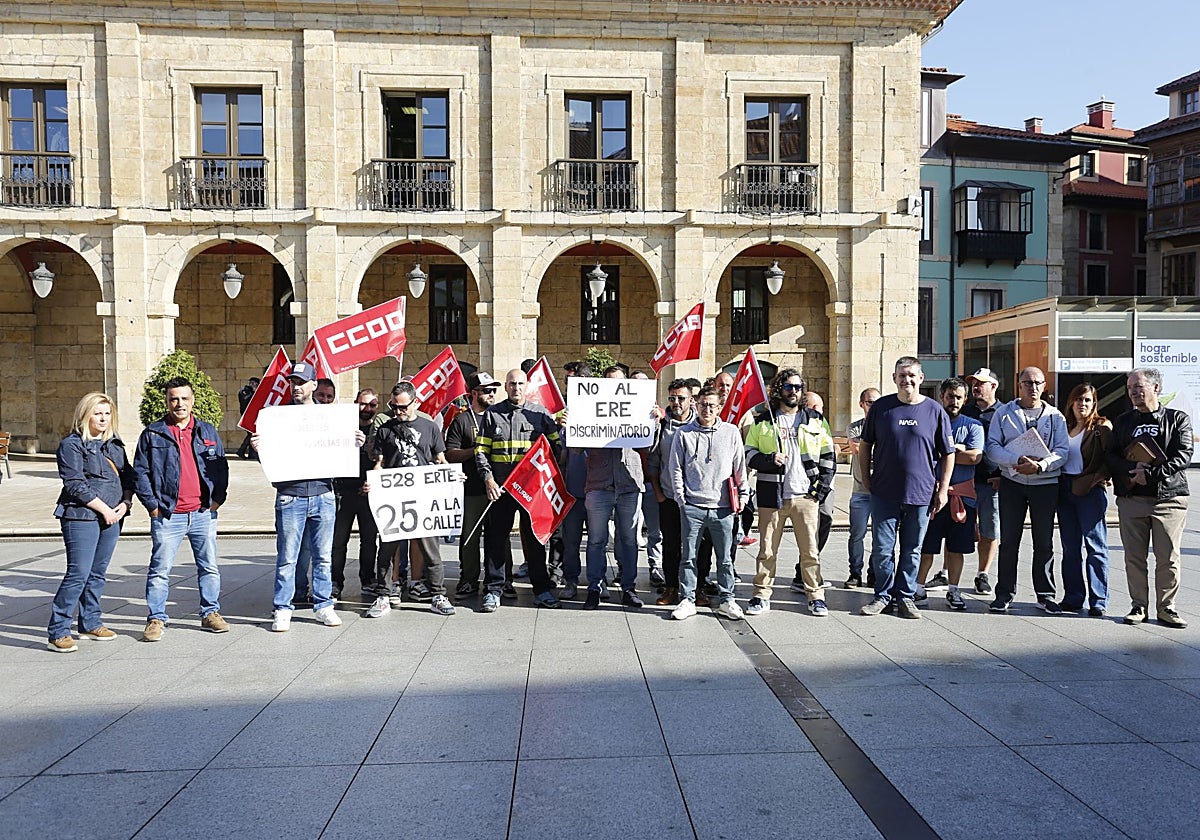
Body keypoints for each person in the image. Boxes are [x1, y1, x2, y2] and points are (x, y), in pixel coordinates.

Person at [254, 362, 358, 632]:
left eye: (302, 382)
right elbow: (269, 457)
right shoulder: (279, 418)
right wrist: (259, 448)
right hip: (291, 495)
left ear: (314, 385)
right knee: (288, 556)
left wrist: (352, 441)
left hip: (323, 494)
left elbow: (342, 453)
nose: (296, 387)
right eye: (293, 382)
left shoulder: (331, 419)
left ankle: (324, 605)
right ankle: (283, 608)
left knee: (323, 555)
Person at [133, 376, 230, 641]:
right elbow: (140, 472)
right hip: (167, 514)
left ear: (193, 400)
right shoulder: (153, 433)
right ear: (167, 401)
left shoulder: (207, 431)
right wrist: (152, 506)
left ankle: (210, 612)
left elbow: (221, 467)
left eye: (184, 398)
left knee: (209, 566)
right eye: (174, 399)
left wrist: (217, 499)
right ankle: (156, 618)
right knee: (160, 569)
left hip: (202, 512)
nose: (179, 404)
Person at [859, 356, 954, 619]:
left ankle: (906, 597)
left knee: (912, 549)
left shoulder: (934, 411)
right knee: (882, 549)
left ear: (921, 379)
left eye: (911, 375)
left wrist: (943, 489)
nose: (907, 380)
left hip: (921, 493)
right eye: (902, 375)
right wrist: (866, 477)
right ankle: (882, 595)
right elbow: (865, 444)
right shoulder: (881, 408)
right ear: (894, 378)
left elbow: (948, 453)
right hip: (884, 492)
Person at [47, 393, 135, 652]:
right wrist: (104, 509)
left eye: (107, 413)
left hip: (113, 516)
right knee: (78, 573)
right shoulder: (71, 445)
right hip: (80, 516)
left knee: (98, 573)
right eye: (97, 413)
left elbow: (128, 477)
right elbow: (75, 484)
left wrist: (126, 503)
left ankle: (90, 621)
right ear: (85, 415)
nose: (103, 418)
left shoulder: (114, 445)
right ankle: (58, 630)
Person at [1106, 368, 1193, 628]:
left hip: (1169, 499)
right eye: (1130, 387)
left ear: (1156, 388)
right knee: (1134, 557)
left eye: (1139, 386)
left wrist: (1152, 475)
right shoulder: (1122, 421)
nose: (1133, 392)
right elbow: (1111, 456)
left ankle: (1167, 608)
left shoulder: (1178, 419)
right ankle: (1138, 606)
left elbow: (1183, 455)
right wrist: (1131, 473)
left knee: (1168, 557)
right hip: (1132, 498)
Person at [744, 370, 835, 616]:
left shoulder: (815, 419)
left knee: (810, 552)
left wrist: (820, 490)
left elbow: (828, 456)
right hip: (770, 495)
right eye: (787, 387)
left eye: (797, 387)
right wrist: (768, 459)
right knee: (766, 550)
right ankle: (761, 595)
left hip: (805, 496)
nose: (793, 391)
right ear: (778, 390)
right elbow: (748, 454)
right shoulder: (763, 420)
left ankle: (815, 596)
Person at [363, 381, 457, 618]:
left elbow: (440, 459)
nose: (398, 412)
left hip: (422, 497)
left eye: (403, 407)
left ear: (415, 402)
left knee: (431, 549)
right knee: (387, 550)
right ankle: (384, 594)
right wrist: (372, 480)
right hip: (394, 498)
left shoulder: (429, 428)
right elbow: (380, 462)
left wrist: (454, 477)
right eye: (394, 407)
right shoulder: (385, 430)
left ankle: (437, 594)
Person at [475, 368, 564, 612]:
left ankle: (542, 589)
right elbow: (481, 451)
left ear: (527, 387)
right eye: (512, 384)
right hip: (501, 489)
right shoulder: (493, 414)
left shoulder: (540, 414)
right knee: (496, 540)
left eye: (521, 384)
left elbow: (556, 449)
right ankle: (494, 589)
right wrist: (488, 479)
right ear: (506, 386)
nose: (516, 388)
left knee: (535, 540)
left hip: (530, 491)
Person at [984, 366, 1069, 614]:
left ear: (1044, 386)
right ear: (1018, 385)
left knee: (1044, 542)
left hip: (1046, 484)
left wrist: (1040, 466)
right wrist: (1017, 460)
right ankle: (1004, 593)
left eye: (1037, 383)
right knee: (1009, 541)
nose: (1033, 387)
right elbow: (992, 447)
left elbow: (1063, 451)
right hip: (1013, 482)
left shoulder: (1056, 416)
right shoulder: (1003, 413)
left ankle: (1045, 594)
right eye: (1027, 382)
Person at [666, 386, 748, 620]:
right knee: (688, 556)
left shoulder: (731, 432)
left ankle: (727, 599)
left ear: (719, 407)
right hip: (693, 505)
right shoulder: (684, 434)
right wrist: (682, 499)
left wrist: (743, 496)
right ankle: (687, 598)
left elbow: (739, 466)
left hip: (723, 508)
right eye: (703, 404)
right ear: (696, 405)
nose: (707, 409)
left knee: (725, 558)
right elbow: (675, 468)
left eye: (712, 405)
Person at [914, 378, 984, 611]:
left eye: (958, 397)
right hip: (930, 494)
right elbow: (922, 453)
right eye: (949, 396)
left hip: (962, 496)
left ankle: (954, 591)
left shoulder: (973, 426)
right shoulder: (928, 422)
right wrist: (957, 449)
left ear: (965, 400)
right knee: (926, 546)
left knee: (956, 548)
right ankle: (918, 588)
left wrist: (944, 451)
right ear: (941, 397)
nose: (953, 401)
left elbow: (975, 457)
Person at [581, 367, 646, 610]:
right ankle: (594, 588)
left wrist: (654, 421)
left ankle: (629, 588)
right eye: (609, 383)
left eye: (619, 383)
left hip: (629, 482)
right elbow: (576, 448)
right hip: (598, 483)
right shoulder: (589, 409)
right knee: (596, 540)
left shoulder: (638, 408)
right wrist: (569, 427)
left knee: (629, 539)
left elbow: (651, 443)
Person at [1057, 383, 1112, 617]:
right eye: (1079, 399)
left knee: (1095, 546)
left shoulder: (1101, 427)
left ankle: (1098, 599)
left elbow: (1112, 460)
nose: (1083, 404)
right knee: (1070, 548)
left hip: (1090, 490)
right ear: (1071, 402)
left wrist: (1094, 481)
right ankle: (1073, 598)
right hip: (1064, 489)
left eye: (1088, 400)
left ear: (1094, 403)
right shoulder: (1063, 426)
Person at [445, 371, 501, 599]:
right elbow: (450, 453)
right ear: (474, 393)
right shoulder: (462, 420)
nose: (492, 394)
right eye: (487, 391)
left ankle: (498, 581)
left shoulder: (499, 416)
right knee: (470, 537)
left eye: (494, 390)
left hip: (497, 488)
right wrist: (476, 450)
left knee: (499, 537)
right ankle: (468, 579)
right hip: (471, 489)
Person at [647, 378, 695, 606]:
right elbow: (653, 461)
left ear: (691, 400)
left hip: (697, 499)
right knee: (671, 544)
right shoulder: (662, 426)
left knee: (697, 546)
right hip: (668, 496)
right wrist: (658, 493)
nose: (676, 402)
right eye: (673, 398)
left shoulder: (703, 424)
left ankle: (697, 588)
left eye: (681, 398)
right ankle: (671, 588)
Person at [331, 388, 381, 601]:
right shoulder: (342, 427)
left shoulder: (380, 430)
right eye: (363, 404)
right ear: (355, 403)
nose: (366, 409)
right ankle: (335, 582)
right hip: (344, 492)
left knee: (369, 541)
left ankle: (368, 579)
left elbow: (384, 460)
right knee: (338, 542)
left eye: (371, 405)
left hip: (369, 494)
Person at [962, 368, 1002, 595]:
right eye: (973, 383)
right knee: (957, 527)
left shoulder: (1005, 412)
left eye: (981, 383)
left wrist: (1001, 474)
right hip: (964, 481)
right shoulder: (965, 411)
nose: (976, 387)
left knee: (989, 529)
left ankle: (982, 574)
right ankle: (946, 573)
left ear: (993, 386)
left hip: (991, 482)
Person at [844, 388, 880, 588]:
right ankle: (855, 572)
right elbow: (857, 448)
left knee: (879, 536)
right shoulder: (855, 427)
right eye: (869, 402)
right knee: (857, 534)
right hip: (860, 491)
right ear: (861, 404)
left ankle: (874, 572)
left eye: (876, 402)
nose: (872, 406)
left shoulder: (885, 425)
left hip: (882, 491)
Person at [236, 376, 260, 460]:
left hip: (252, 416)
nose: (252, 385)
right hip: (247, 416)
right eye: (252, 383)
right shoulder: (245, 391)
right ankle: (241, 450)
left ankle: (251, 454)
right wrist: (254, 392)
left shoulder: (250, 391)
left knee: (251, 433)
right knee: (251, 433)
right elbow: (246, 401)